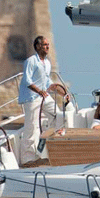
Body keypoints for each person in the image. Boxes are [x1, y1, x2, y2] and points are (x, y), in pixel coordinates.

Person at [18, 36, 65, 165]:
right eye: (45, 45)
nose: (47, 47)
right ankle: (27, 159)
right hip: (32, 97)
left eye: (48, 44)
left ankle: (48, 149)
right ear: (38, 46)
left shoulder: (47, 63)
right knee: (32, 127)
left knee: (58, 115)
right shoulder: (31, 61)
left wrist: (62, 92)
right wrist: (39, 91)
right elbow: (27, 80)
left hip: (44, 95)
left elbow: (47, 81)